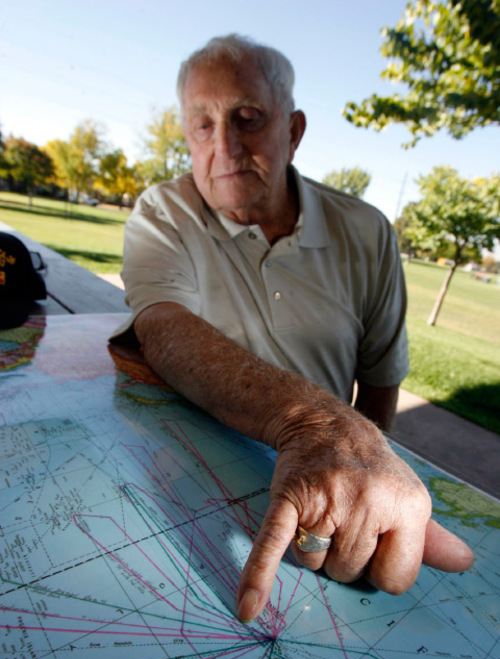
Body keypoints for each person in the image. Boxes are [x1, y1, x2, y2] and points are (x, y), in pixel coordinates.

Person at [112, 34, 473, 623]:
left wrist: (357, 474)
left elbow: (381, 381)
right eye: (201, 125)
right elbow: (163, 327)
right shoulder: (163, 212)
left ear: (294, 131)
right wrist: (315, 424)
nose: (223, 145)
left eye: (247, 118)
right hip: (202, 484)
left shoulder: (368, 231)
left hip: (321, 498)